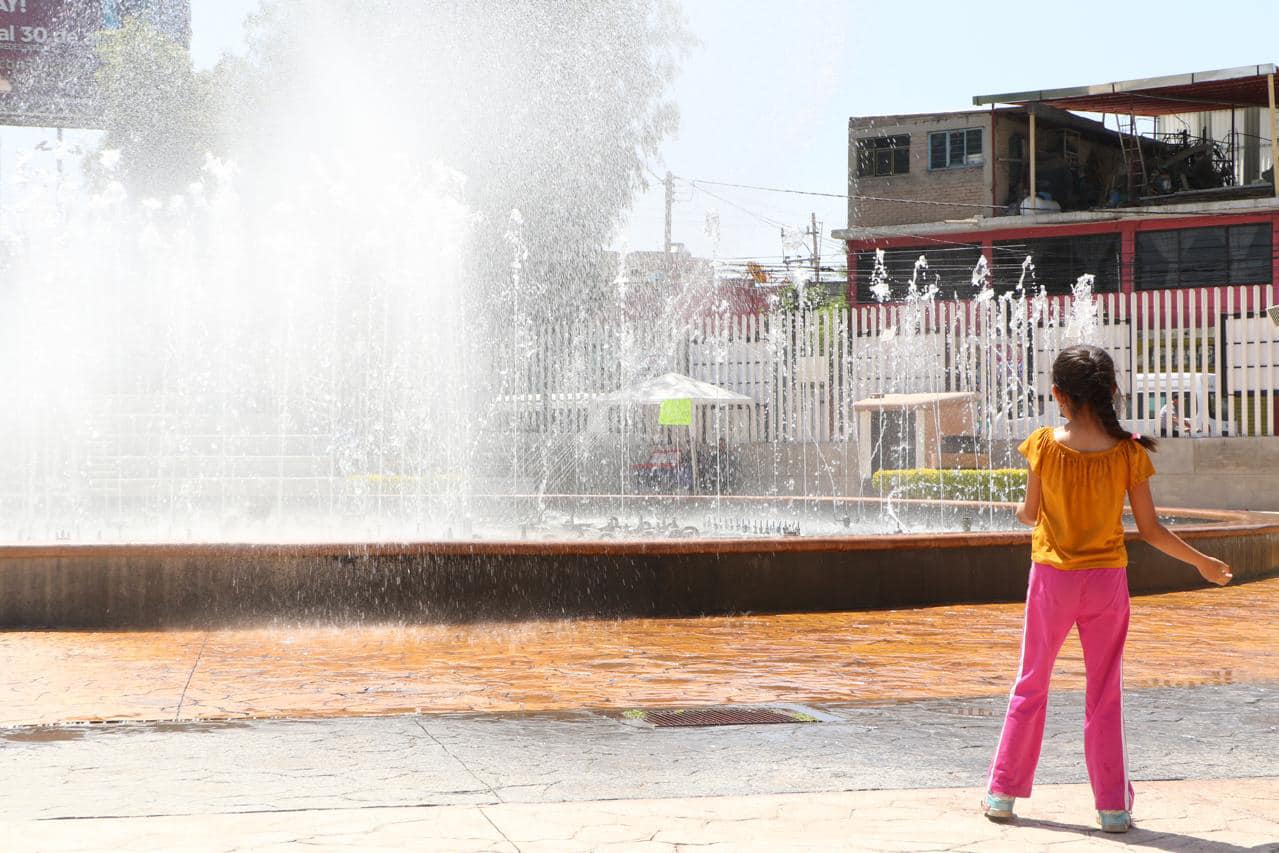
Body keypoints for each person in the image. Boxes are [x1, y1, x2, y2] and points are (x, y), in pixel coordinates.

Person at [982, 344, 1232, 833]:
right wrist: (1201, 563)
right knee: (1104, 693)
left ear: (1058, 394)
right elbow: (1153, 531)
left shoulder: (1042, 445)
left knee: (1031, 682)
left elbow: (1030, 514)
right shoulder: (1128, 452)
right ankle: (1112, 808)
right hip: (1107, 585)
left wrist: (1026, 512)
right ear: (1111, 392)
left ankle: (1003, 795)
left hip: (1052, 580)